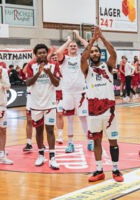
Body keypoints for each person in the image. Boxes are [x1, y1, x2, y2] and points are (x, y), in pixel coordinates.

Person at [81, 26, 124, 182]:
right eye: (92, 52)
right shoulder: (87, 70)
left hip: (109, 111)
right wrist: (92, 40)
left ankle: (116, 170)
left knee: (113, 140)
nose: (94, 53)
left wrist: (102, 37)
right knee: (96, 141)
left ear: (100, 53)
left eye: (97, 51)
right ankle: (99, 170)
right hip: (93, 111)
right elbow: (82, 58)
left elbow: (114, 53)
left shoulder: (108, 66)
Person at [56, 30, 94, 152]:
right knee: (70, 118)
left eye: (74, 46)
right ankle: (70, 143)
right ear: (68, 48)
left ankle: (89, 142)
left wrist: (78, 37)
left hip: (80, 92)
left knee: (83, 118)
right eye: (71, 46)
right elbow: (57, 52)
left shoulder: (81, 58)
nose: (72, 47)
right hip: (67, 93)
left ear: (77, 48)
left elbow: (89, 47)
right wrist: (68, 41)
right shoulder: (64, 59)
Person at [26, 44, 61, 169]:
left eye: (44, 52)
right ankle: (41, 155)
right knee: (39, 130)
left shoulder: (54, 65)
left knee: (50, 130)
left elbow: (57, 83)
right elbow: (28, 82)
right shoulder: (31, 65)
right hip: (35, 103)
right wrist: (38, 73)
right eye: (39, 53)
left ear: (47, 53)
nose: (42, 55)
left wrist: (49, 73)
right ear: (36, 55)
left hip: (49, 103)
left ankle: (52, 157)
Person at [48, 48, 64, 144]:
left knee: (60, 114)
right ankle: (51, 136)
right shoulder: (49, 67)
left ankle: (60, 135)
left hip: (61, 93)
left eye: (56, 58)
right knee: (50, 116)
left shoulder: (62, 66)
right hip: (50, 94)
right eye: (53, 58)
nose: (55, 59)